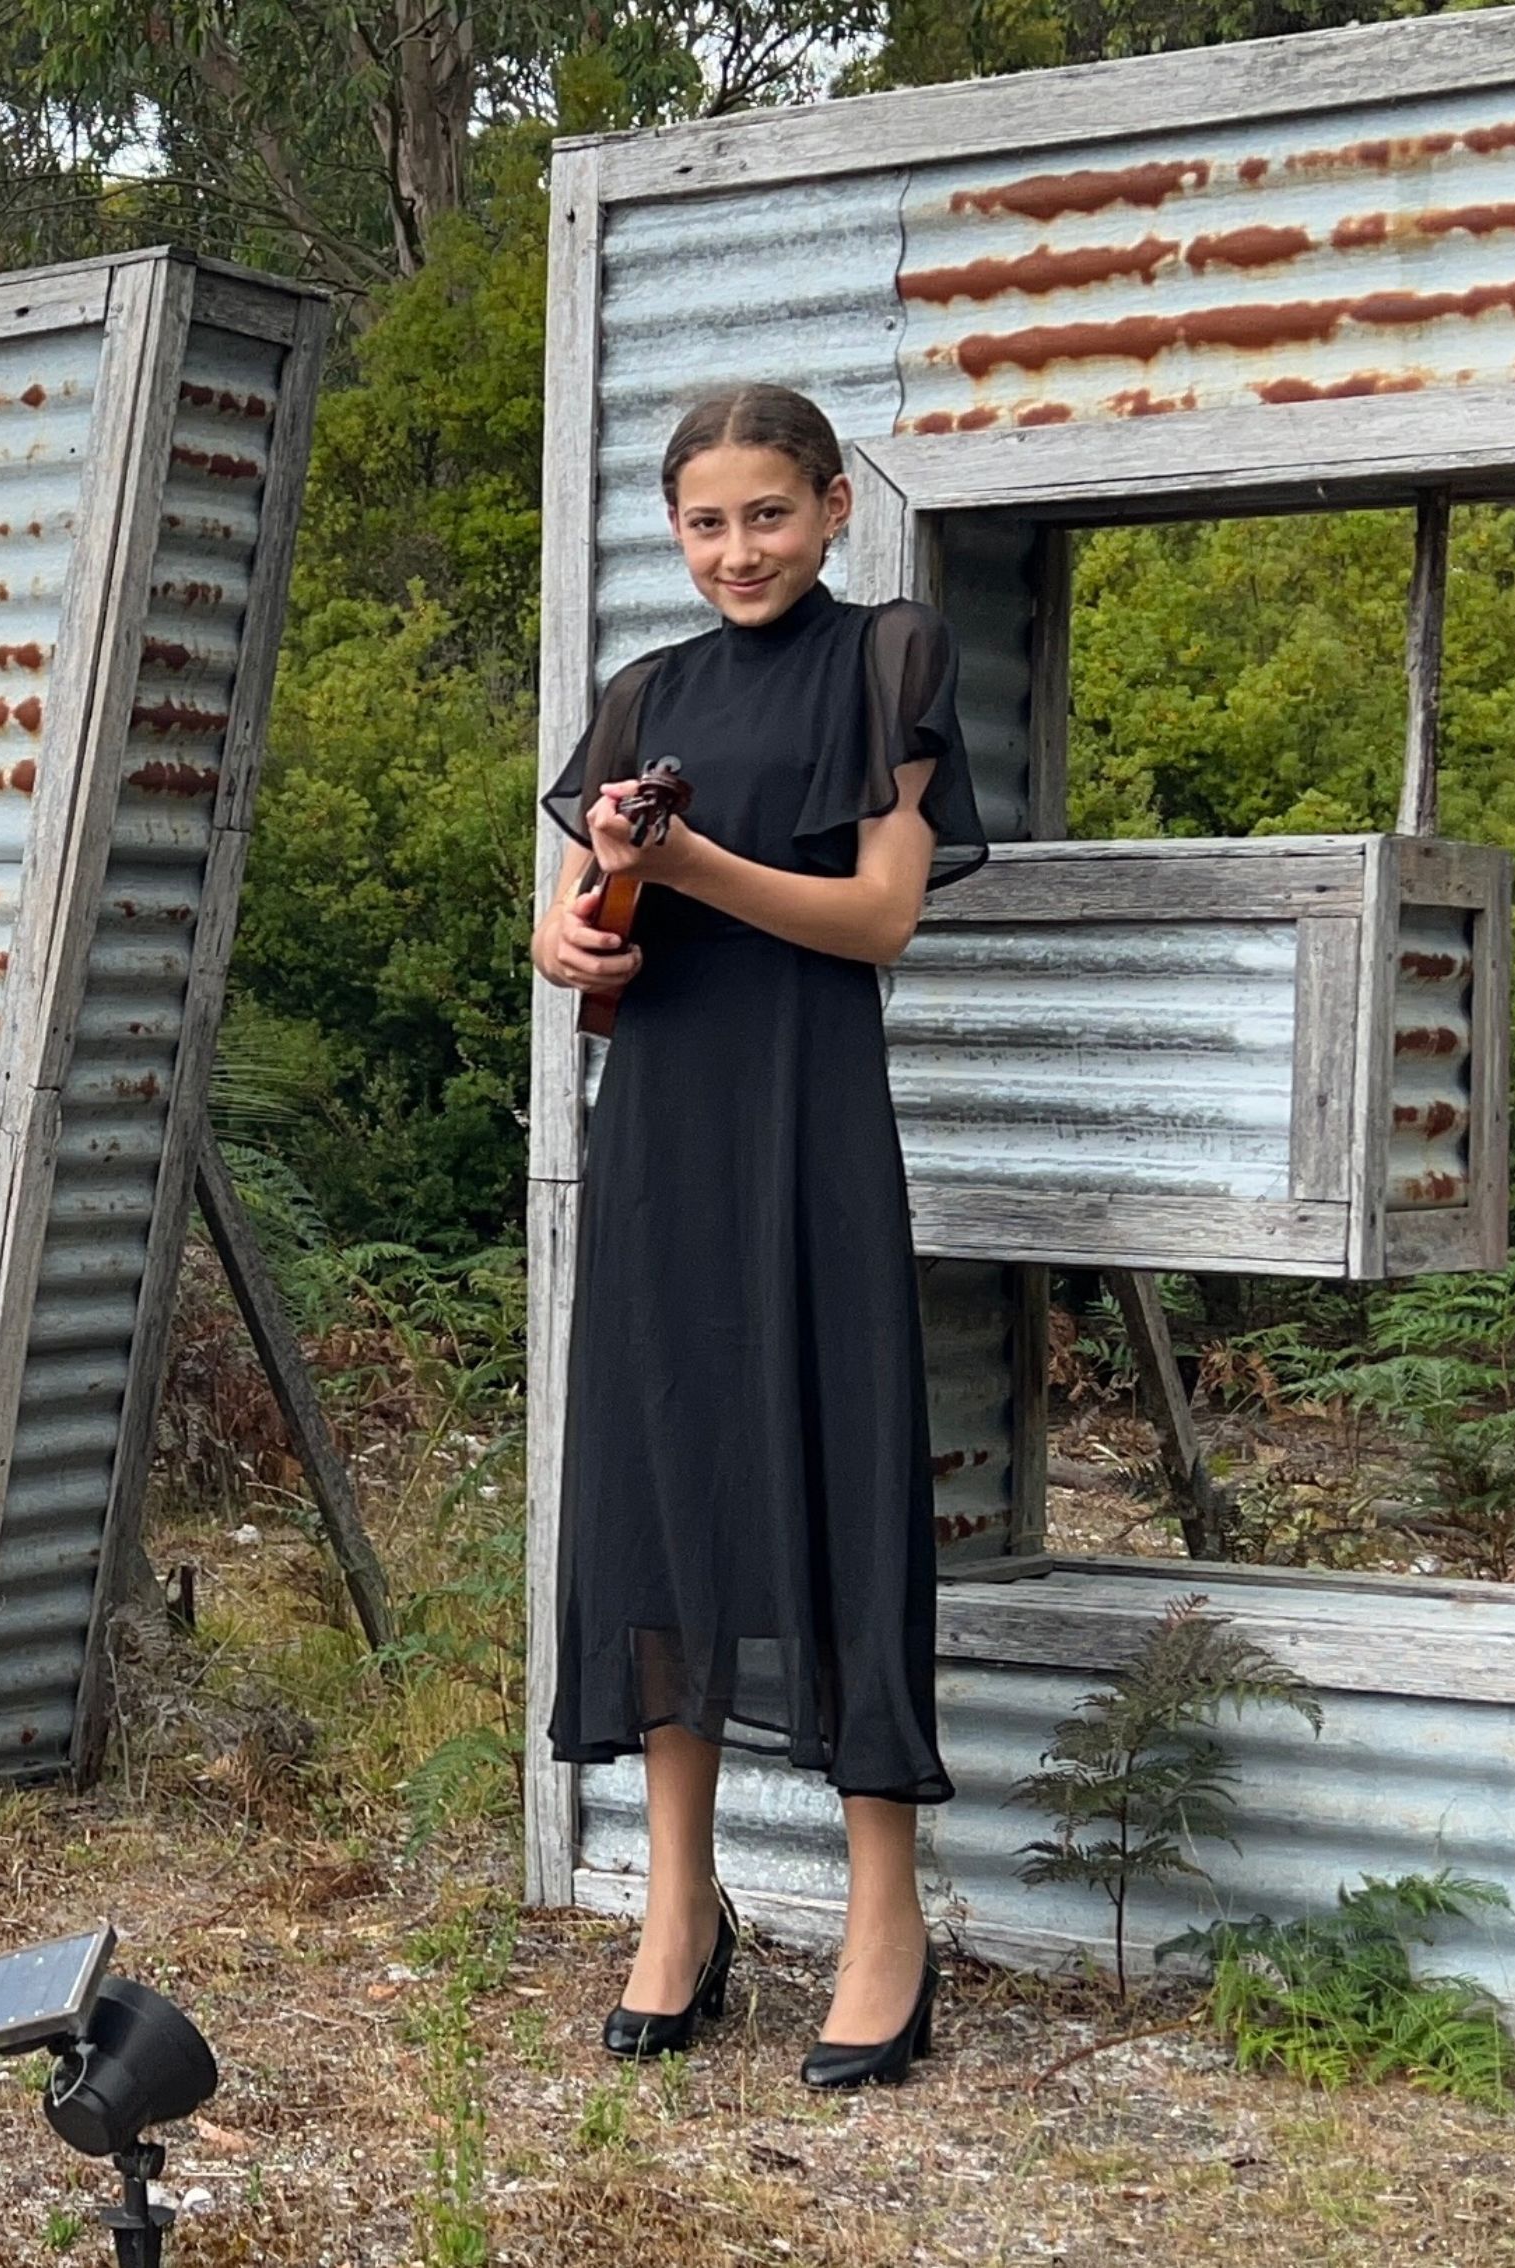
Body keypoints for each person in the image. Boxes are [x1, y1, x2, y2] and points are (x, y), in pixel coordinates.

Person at [525, 382, 980, 2084]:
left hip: (810, 1126)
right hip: (657, 1134)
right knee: (661, 1476)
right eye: (707, 523)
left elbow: (877, 916)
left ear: (834, 505)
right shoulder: (643, 693)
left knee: (840, 1475)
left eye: (768, 514)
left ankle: (884, 1917)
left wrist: (693, 863)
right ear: (673, 529)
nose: (739, 549)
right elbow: (573, 923)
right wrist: (576, 935)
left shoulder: (892, 655)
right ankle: (679, 1901)